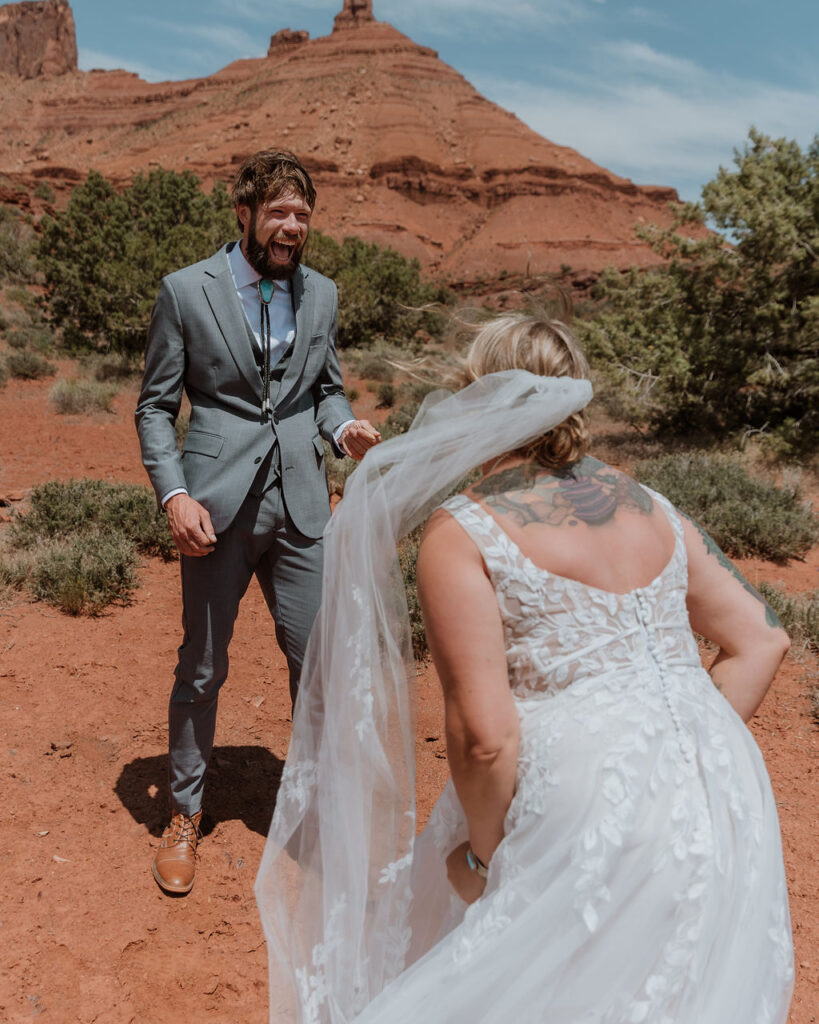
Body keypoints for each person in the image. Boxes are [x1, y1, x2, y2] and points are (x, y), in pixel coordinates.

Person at [255, 311, 794, 1023]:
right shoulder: (649, 505)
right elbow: (762, 641)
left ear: (479, 395)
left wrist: (482, 863)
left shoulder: (466, 529)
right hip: (718, 787)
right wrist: (664, 752)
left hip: (571, 796)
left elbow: (485, 736)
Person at [135, 149, 380, 895]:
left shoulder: (322, 294)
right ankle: (183, 814)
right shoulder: (186, 291)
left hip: (302, 505)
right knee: (202, 669)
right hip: (212, 507)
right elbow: (155, 407)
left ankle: (315, 816)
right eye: (278, 212)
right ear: (243, 213)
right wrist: (174, 494)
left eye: (302, 215)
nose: (292, 226)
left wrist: (344, 432)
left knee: (317, 668)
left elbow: (325, 390)